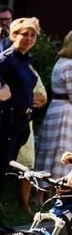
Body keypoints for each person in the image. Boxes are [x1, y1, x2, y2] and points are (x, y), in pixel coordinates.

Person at [0, 17, 44, 235]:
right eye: (23, 34)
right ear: (13, 35)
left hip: (21, 122)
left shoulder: (26, 60)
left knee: (3, 173)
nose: (28, 39)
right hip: (6, 121)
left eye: (32, 35)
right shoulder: (5, 60)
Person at [46, 33, 72, 181]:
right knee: (61, 149)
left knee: (53, 149)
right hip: (65, 112)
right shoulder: (69, 65)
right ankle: (59, 189)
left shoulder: (61, 61)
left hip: (56, 108)